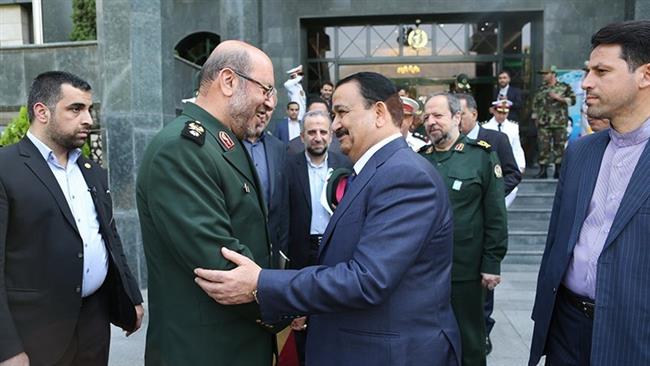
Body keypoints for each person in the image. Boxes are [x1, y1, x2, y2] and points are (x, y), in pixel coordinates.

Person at [194, 72, 461, 366]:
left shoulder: (405, 175)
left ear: (380, 113)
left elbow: (367, 279)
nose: (335, 126)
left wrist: (262, 282)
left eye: (342, 113)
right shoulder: (373, 171)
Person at [136, 40, 278, 366]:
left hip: (236, 345)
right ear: (228, 81)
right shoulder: (182, 149)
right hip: (203, 351)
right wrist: (288, 302)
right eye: (266, 89)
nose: (270, 103)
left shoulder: (221, 141)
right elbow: (219, 263)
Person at [0, 71, 144, 366]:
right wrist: (8, 348)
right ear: (42, 112)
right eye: (76, 109)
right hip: (36, 332)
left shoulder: (91, 169)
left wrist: (131, 297)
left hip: (94, 322)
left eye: (89, 109)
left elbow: (109, 237)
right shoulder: (6, 168)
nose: (89, 119)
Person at [529, 20, 650, 366]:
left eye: (601, 71)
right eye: (587, 71)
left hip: (633, 337)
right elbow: (557, 241)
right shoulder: (581, 152)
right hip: (565, 329)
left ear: (645, 75)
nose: (585, 83)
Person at [419, 92, 508, 366]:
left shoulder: (481, 156)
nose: (431, 122)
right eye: (426, 117)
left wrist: (492, 262)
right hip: (424, 271)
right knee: (428, 341)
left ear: (457, 117)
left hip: (465, 269)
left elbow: (495, 214)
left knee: (470, 340)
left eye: (438, 116)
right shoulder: (420, 159)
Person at [284, 110, 351, 365]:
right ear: (302, 136)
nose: (318, 137)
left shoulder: (344, 165)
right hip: (301, 251)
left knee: (332, 315)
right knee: (300, 318)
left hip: (335, 250)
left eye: (323, 132)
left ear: (331, 135)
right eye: (311, 132)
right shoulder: (288, 166)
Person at [243, 95, 289, 269]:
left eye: (267, 112)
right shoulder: (229, 142)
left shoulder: (278, 147)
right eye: (259, 111)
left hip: (270, 247)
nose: (262, 116)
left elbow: (283, 203)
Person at [457, 93, 521, 197]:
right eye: (454, 115)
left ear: (474, 114)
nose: (457, 119)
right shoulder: (449, 142)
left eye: (461, 114)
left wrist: (493, 195)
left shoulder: (497, 139)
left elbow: (513, 175)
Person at [531, 65, 576, 179]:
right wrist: (535, 117)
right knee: (543, 147)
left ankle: (558, 171)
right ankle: (543, 171)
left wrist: (559, 98)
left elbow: (573, 100)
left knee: (559, 146)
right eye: (543, 74)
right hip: (543, 123)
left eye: (546, 73)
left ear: (553, 74)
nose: (544, 76)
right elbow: (535, 104)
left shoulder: (564, 87)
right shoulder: (541, 88)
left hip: (559, 122)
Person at [484, 99, 527, 206]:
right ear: (493, 111)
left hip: (507, 163)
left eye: (505, 113)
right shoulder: (485, 127)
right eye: (499, 112)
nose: (502, 116)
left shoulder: (513, 127)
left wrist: (521, 165)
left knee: (512, 190)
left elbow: (516, 147)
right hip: (491, 163)